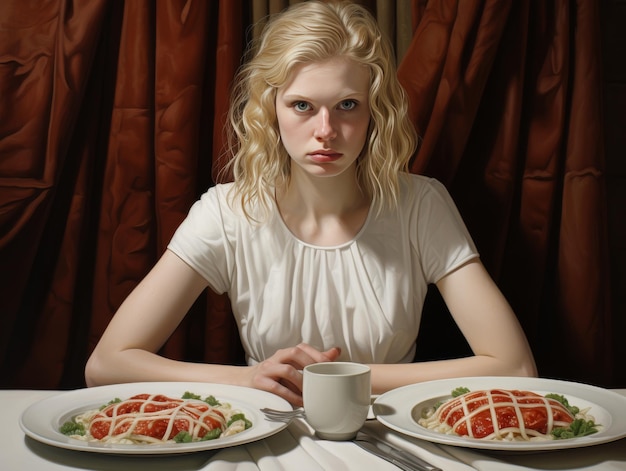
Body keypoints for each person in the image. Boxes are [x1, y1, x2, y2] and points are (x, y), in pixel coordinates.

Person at [85, 0, 537, 406]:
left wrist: (340, 378)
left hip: (391, 437)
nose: (326, 130)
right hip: (266, 431)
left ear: (374, 111)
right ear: (270, 109)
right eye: (302, 105)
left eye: (347, 105)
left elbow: (516, 367)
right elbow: (107, 365)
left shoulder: (420, 204)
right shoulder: (227, 213)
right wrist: (250, 380)